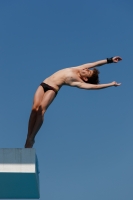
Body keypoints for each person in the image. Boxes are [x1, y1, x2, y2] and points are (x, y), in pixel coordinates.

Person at [25, 56, 122, 148]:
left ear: (85, 78)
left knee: (41, 110)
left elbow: (94, 87)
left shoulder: (78, 81)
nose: (86, 69)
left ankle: (32, 137)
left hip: (52, 89)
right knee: (34, 108)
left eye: (87, 71)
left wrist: (111, 84)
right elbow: (96, 63)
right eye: (88, 69)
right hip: (44, 84)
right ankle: (29, 136)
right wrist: (110, 60)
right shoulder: (79, 68)